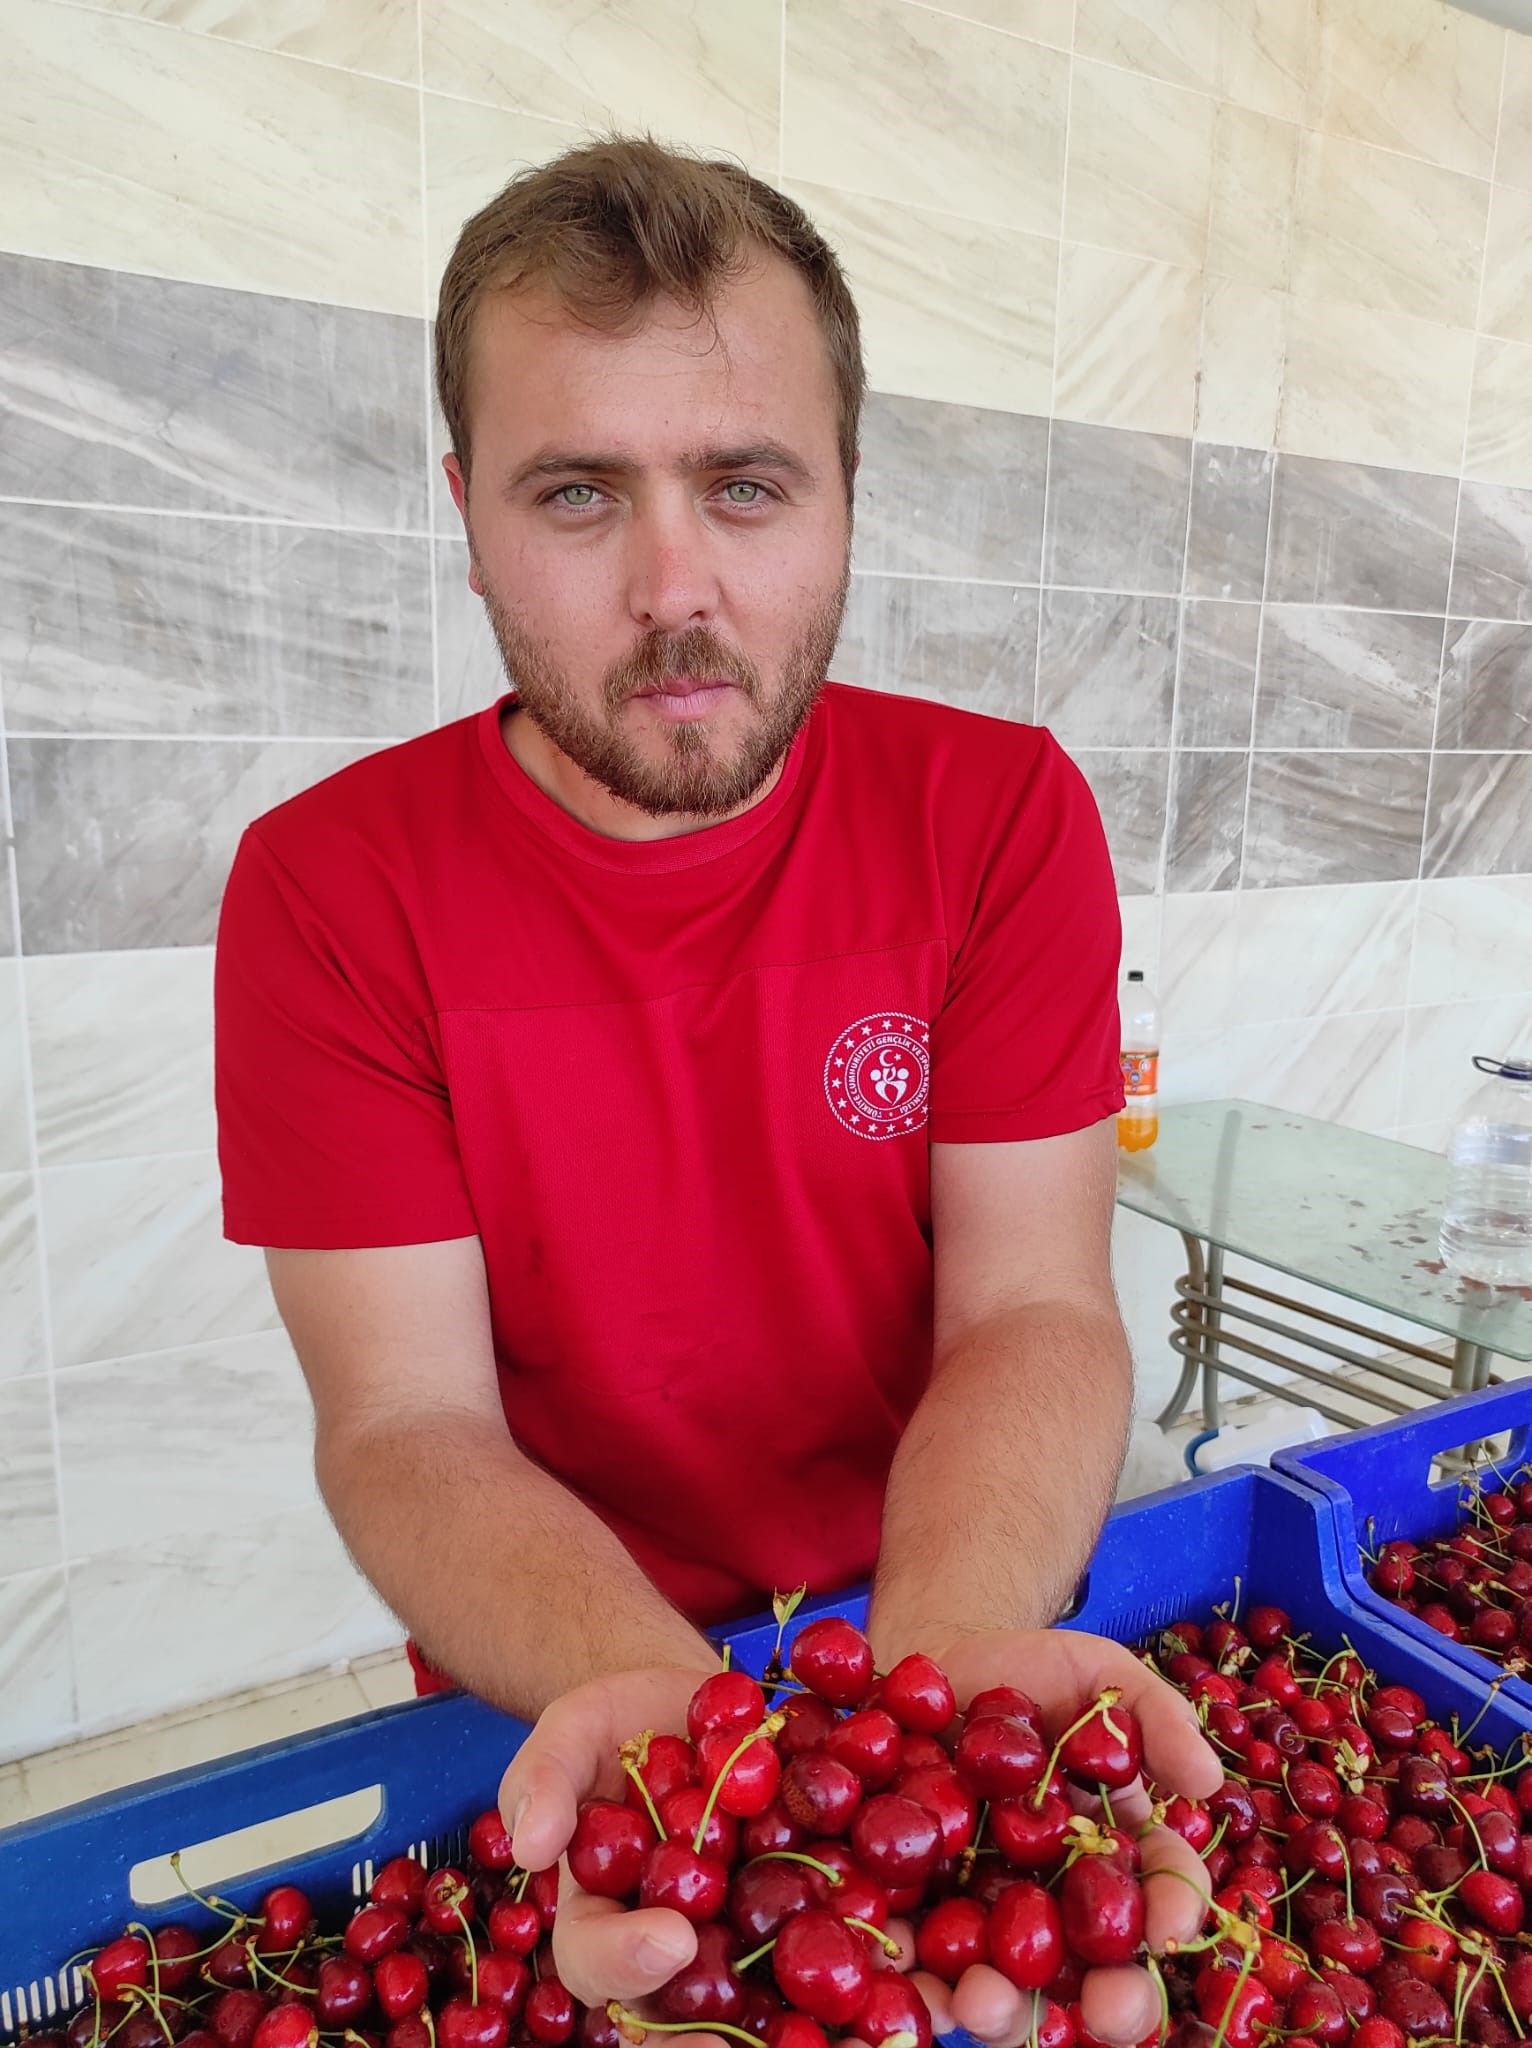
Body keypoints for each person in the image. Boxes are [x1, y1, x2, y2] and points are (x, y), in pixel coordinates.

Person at [214, 136, 1219, 2048]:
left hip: (952, 1600)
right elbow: (406, 1419)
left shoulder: (998, 817)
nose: (677, 588)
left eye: (747, 486)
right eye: (578, 492)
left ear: (845, 498)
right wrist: (679, 1739)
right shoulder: (327, 888)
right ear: (465, 508)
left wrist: (939, 1687)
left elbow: (1029, 1302)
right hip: (569, 1693)